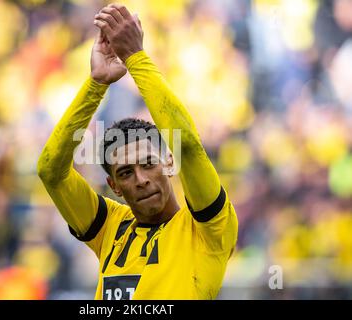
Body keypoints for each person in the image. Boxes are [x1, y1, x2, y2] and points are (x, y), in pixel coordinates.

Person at [38, 3, 238, 300]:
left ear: (170, 163)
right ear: (114, 186)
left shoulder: (207, 230)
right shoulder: (109, 227)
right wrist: (96, 84)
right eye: (126, 172)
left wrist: (135, 58)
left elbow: (187, 144)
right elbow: (50, 171)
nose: (141, 179)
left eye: (148, 164)